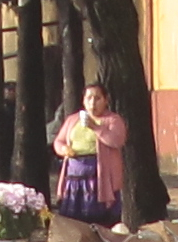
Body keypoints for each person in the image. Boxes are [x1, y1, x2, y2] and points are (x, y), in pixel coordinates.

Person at [49, 88, 127, 228]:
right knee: (73, 221)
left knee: (100, 221)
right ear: (83, 101)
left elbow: (116, 141)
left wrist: (95, 127)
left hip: (99, 178)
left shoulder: (112, 120)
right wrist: (63, 149)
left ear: (106, 100)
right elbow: (58, 141)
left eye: (97, 98)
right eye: (89, 98)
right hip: (74, 177)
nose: (92, 103)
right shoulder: (73, 120)